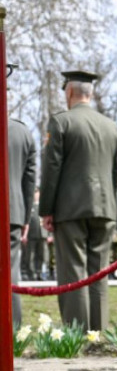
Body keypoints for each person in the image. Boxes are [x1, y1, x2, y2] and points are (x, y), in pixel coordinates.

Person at [39, 70, 117, 331]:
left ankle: (77, 333)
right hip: (105, 207)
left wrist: (46, 210)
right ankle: (97, 334)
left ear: (69, 92)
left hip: (71, 208)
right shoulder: (111, 126)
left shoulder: (61, 122)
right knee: (99, 273)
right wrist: (111, 205)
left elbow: (52, 169)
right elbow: (116, 173)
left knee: (73, 272)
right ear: (91, 93)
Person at [8, 115, 36, 326]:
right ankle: (12, 330)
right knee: (10, 274)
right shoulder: (22, 132)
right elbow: (29, 178)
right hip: (12, 212)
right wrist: (25, 218)